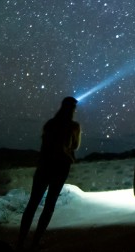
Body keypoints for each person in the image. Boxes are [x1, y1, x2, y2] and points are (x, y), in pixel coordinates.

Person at [16, 96, 82, 250]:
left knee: (32, 203)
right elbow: (75, 146)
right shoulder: (74, 126)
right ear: (73, 109)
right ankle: (35, 242)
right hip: (61, 167)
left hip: (45, 166)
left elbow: (44, 146)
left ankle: (20, 241)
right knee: (49, 205)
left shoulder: (50, 124)